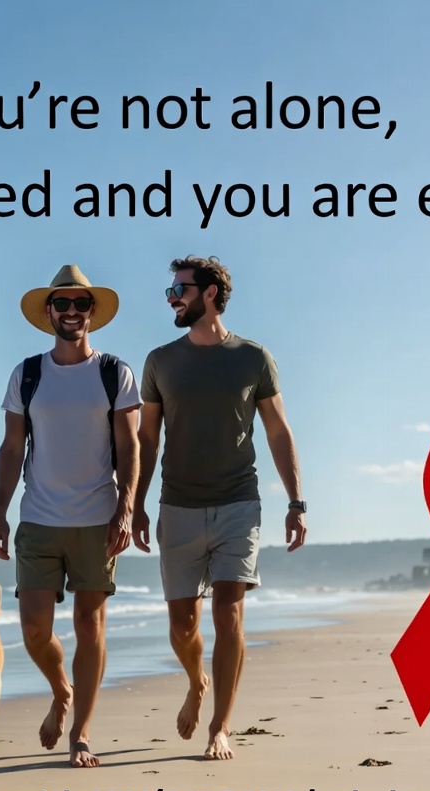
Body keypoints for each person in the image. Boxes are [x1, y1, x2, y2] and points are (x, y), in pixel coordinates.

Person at [132, 254, 307, 761]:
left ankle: (221, 728)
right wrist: (136, 505)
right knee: (182, 625)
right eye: (171, 289)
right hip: (178, 506)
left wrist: (296, 501)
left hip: (238, 503)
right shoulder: (160, 361)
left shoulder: (253, 358)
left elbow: (278, 430)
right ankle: (196, 680)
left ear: (209, 293)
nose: (171, 297)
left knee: (229, 613)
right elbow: (147, 437)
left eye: (179, 288)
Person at [0, 264, 142, 768]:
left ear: (92, 312)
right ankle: (62, 690)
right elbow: (12, 448)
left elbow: (129, 446)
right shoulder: (27, 374)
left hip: (98, 518)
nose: (72, 311)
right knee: (34, 629)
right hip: (38, 516)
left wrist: (125, 509)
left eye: (80, 303)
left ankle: (82, 735)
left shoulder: (114, 372)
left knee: (89, 625)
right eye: (62, 303)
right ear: (49, 312)